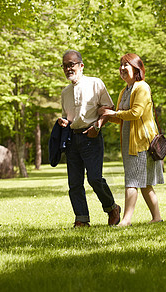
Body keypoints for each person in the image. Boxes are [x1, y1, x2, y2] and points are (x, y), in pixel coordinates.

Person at [58, 50, 120, 227]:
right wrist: (63, 122)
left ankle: (112, 208)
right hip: (72, 139)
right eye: (65, 65)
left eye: (71, 64)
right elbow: (67, 117)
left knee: (94, 178)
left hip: (91, 137)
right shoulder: (65, 93)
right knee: (74, 183)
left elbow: (108, 108)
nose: (68, 68)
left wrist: (98, 126)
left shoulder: (96, 83)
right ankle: (82, 219)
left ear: (81, 65)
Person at [99, 53, 163, 227]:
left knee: (132, 182)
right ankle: (157, 218)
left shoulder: (141, 87)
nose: (121, 68)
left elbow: (136, 113)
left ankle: (126, 220)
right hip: (130, 142)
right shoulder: (125, 90)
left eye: (125, 65)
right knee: (145, 184)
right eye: (120, 65)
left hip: (141, 142)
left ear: (136, 68)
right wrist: (106, 114)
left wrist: (113, 113)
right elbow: (121, 118)